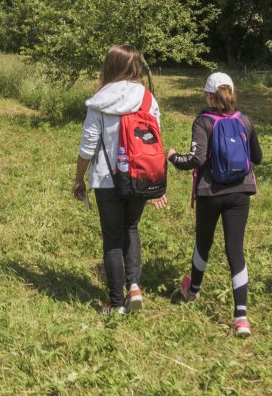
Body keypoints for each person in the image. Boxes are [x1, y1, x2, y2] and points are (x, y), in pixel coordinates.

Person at [72, 44, 166, 315]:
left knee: (113, 237)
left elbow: (88, 147)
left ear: (110, 65)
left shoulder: (99, 101)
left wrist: (79, 180)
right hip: (140, 177)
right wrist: (156, 183)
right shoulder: (148, 99)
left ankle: (116, 304)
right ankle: (134, 287)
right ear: (135, 65)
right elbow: (155, 141)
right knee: (131, 228)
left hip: (106, 180)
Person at [167, 71, 262, 337]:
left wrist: (173, 157)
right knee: (235, 250)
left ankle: (193, 291)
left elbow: (195, 160)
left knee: (203, 243)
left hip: (210, 193)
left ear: (209, 95)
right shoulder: (245, 121)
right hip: (240, 193)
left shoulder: (203, 121)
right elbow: (258, 157)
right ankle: (241, 317)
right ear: (232, 93)